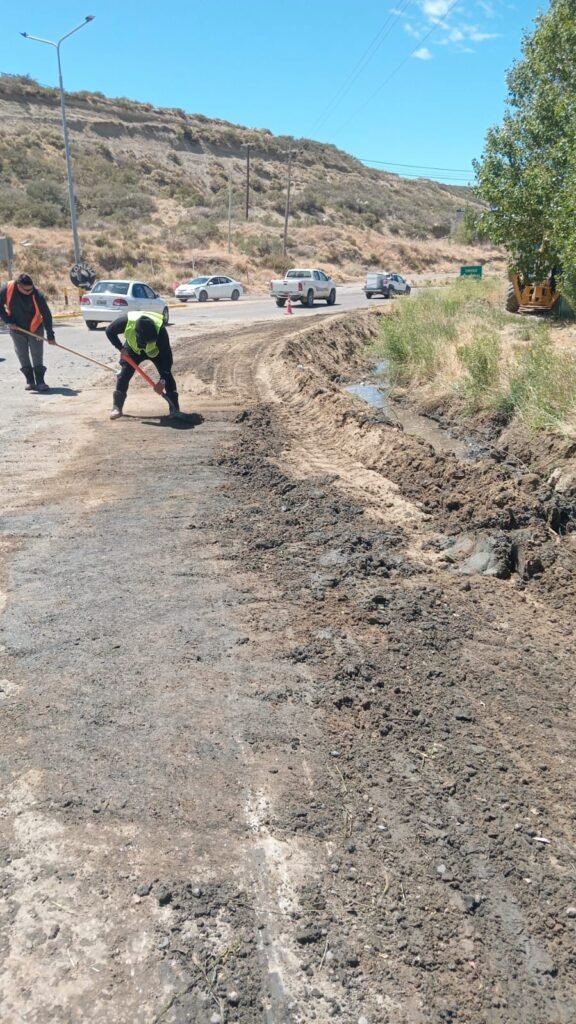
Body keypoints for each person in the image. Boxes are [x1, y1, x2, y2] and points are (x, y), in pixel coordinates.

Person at [105, 311, 179, 420]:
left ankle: (174, 409)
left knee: (167, 376)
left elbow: (167, 360)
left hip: (156, 352)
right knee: (123, 375)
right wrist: (121, 348)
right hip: (133, 350)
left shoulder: (161, 332)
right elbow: (109, 331)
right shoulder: (126, 321)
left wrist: (162, 381)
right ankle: (117, 407)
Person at [0, 273, 56, 391]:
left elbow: (46, 314)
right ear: (18, 286)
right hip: (16, 328)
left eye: (31, 289)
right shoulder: (7, 289)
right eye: (26, 290)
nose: (29, 291)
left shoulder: (36, 293)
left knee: (37, 354)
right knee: (22, 354)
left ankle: (40, 382)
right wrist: (8, 321)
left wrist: (50, 335)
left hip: (35, 327)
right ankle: (30, 381)